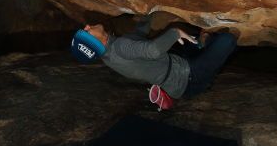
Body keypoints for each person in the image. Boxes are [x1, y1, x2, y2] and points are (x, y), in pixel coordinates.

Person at [70, 17, 237, 110]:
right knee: (226, 40)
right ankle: (204, 44)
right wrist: (175, 32)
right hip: (189, 77)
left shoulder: (109, 53)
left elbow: (136, 39)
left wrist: (149, 15)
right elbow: (152, 50)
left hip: (177, 68)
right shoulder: (120, 47)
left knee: (187, 41)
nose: (86, 26)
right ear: (96, 42)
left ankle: (200, 45)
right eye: (86, 32)